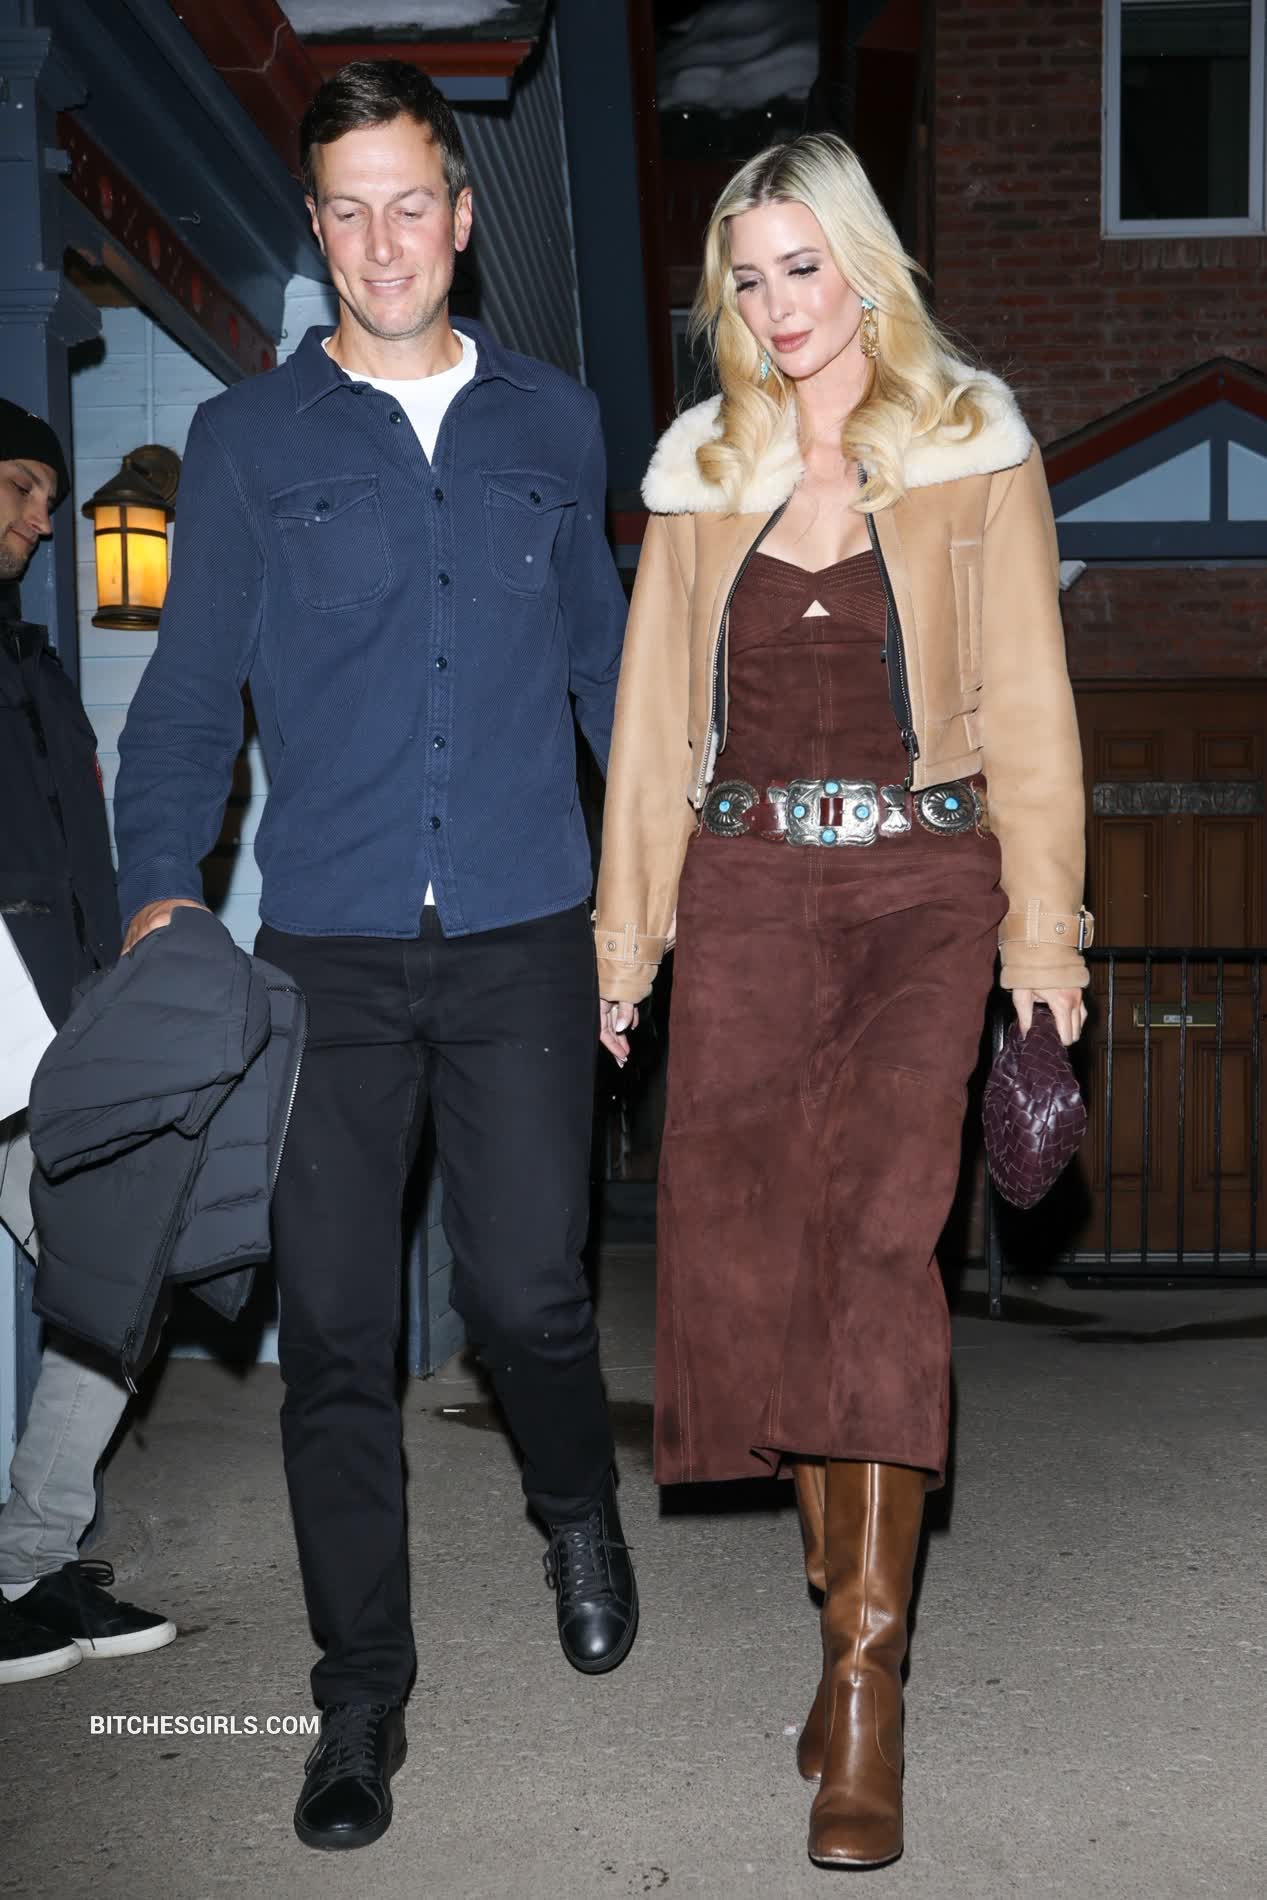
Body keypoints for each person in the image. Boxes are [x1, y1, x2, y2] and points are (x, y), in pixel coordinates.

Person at [113, 60, 635, 1852]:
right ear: (318, 226)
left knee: (528, 1296)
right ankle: (357, 1695)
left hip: (521, 932)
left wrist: (651, 903)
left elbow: (608, 680)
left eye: (412, 202)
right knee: (331, 1333)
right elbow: (188, 696)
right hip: (324, 952)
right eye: (347, 210)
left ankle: (573, 1506)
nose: (382, 241)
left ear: (462, 218)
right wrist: (161, 891)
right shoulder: (249, 441)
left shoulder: (555, 425)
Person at [593, 134, 1091, 1871]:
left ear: (862, 266)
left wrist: (1043, 956)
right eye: (745, 278)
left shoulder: (970, 446)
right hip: (740, 887)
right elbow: (651, 726)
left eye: (801, 267)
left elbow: (1029, 712)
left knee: (880, 1247)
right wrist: (624, 946)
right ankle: (833, 1614)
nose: (775, 305)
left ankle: (867, 1686)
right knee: (757, 1272)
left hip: (919, 884)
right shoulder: (701, 471)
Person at [0, 399, 175, 1683]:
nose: (42, 520)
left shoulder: (36, 664)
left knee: (120, 1272)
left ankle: (29, 1559)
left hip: (53, 1029)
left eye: (51, 500)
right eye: (20, 489)